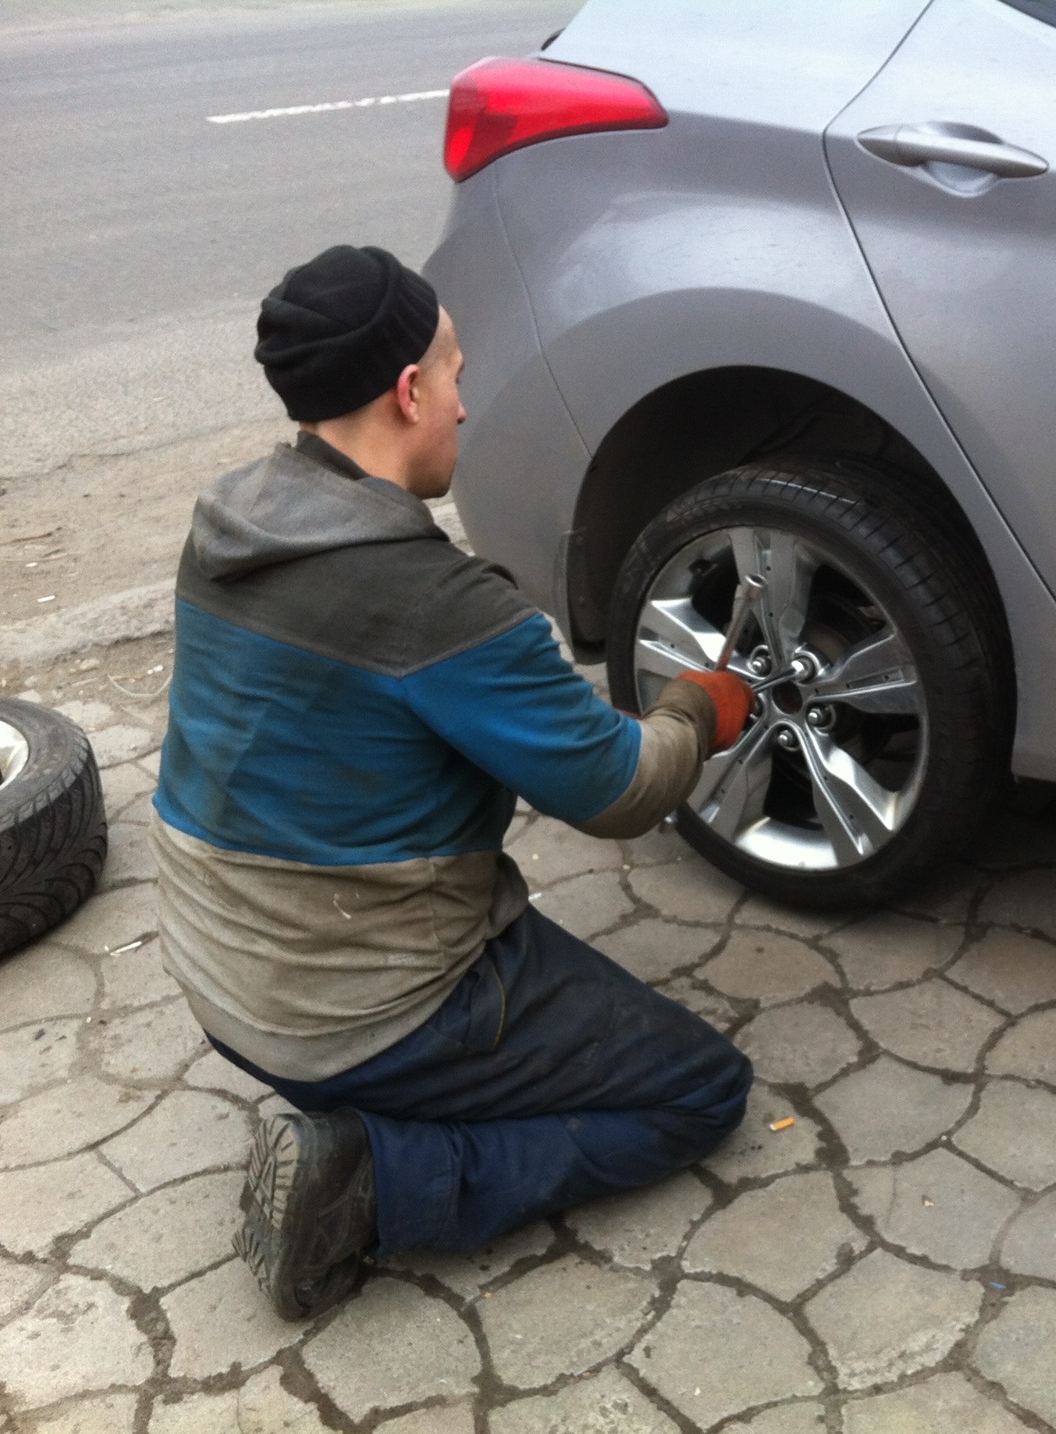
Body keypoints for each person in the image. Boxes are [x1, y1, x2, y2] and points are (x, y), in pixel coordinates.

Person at [149, 244, 756, 1320]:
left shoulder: (228, 520)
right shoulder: (440, 608)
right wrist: (698, 710)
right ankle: (375, 1182)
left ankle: (363, 1117)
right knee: (701, 1092)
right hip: (361, 1012)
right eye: (458, 376)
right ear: (409, 391)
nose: (466, 409)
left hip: (220, 974)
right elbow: (617, 791)